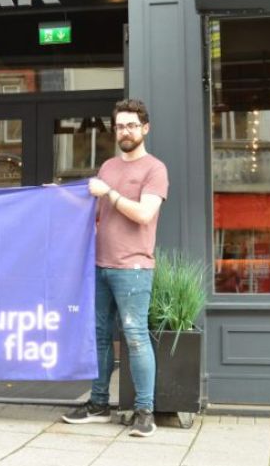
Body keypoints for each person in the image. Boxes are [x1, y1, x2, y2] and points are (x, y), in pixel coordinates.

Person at [61, 98, 169, 438]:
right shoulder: (107, 167)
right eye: (121, 125)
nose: (126, 131)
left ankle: (144, 411)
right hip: (100, 264)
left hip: (134, 267)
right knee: (100, 338)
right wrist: (59, 199)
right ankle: (97, 404)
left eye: (132, 125)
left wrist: (109, 193)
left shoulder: (155, 169)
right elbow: (94, 215)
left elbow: (144, 214)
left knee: (135, 338)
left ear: (145, 128)